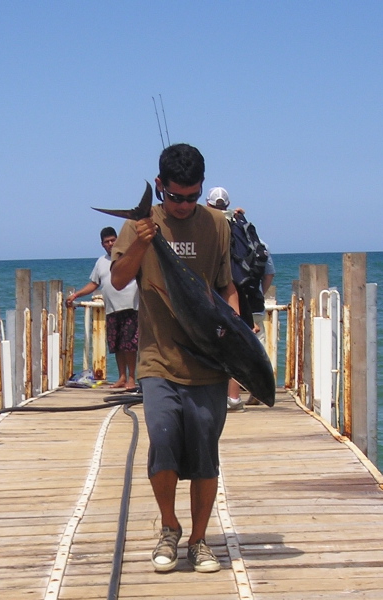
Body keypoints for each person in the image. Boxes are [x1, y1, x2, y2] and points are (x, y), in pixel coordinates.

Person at [111, 144, 240, 574]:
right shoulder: (140, 224)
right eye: (175, 196)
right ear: (160, 185)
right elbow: (119, 277)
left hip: (208, 362)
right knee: (163, 439)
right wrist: (142, 244)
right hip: (158, 358)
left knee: (205, 446)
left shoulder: (218, 225)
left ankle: (200, 541)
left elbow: (226, 287)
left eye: (192, 196)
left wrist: (236, 339)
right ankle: (170, 527)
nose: (183, 206)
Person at [206, 187, 276, 408]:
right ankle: (251, 393)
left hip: (221, 299)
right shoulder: (249, 234)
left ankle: (222, 396)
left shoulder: (208, 230)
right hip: (251, 300)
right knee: (252, 351)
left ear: (208, 205)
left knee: (221, 348)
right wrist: (259, 295)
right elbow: (269, 272)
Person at [66, 227, 139, 391]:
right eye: (107, 242)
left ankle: (132, 379)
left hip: (131, 307)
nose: (111, 244)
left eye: (113, 240)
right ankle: (121, 378)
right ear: (102, 244)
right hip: (111, 309)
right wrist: (76, 295)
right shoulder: (101, 262)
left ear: (118, 240)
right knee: (117, 345)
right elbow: (94, 283)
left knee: (130, 345)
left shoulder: (130, 257)